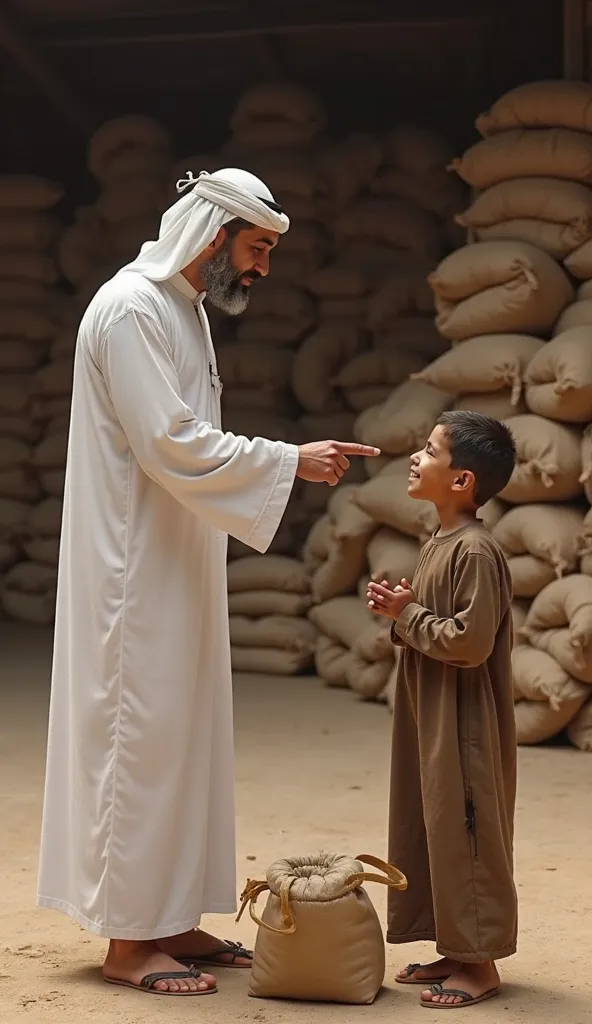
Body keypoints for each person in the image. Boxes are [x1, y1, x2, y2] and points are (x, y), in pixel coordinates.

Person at [37, 167, 380, 997]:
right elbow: (171, 444)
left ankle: (174, 915)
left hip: (175, 557)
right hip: (131, 569)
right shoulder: (131, 310)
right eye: (257, 247)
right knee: (137, 740)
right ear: (213, 232)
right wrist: (288, 460)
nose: (262, 267)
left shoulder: (182, 311)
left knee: (184, 738)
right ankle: (128, 942)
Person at [367, 410, 518, 1010]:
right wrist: (401, 610)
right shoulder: (439, 543)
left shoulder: (476, 552)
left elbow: (471, 642)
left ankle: (479, 965)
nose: (416, 457)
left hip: (465, 726)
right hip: (431, 717)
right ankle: (456, 947)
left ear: (462, 481)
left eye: (430, 451)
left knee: (468, 829)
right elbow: (435, 626)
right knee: (433, 824)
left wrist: (406, 616)